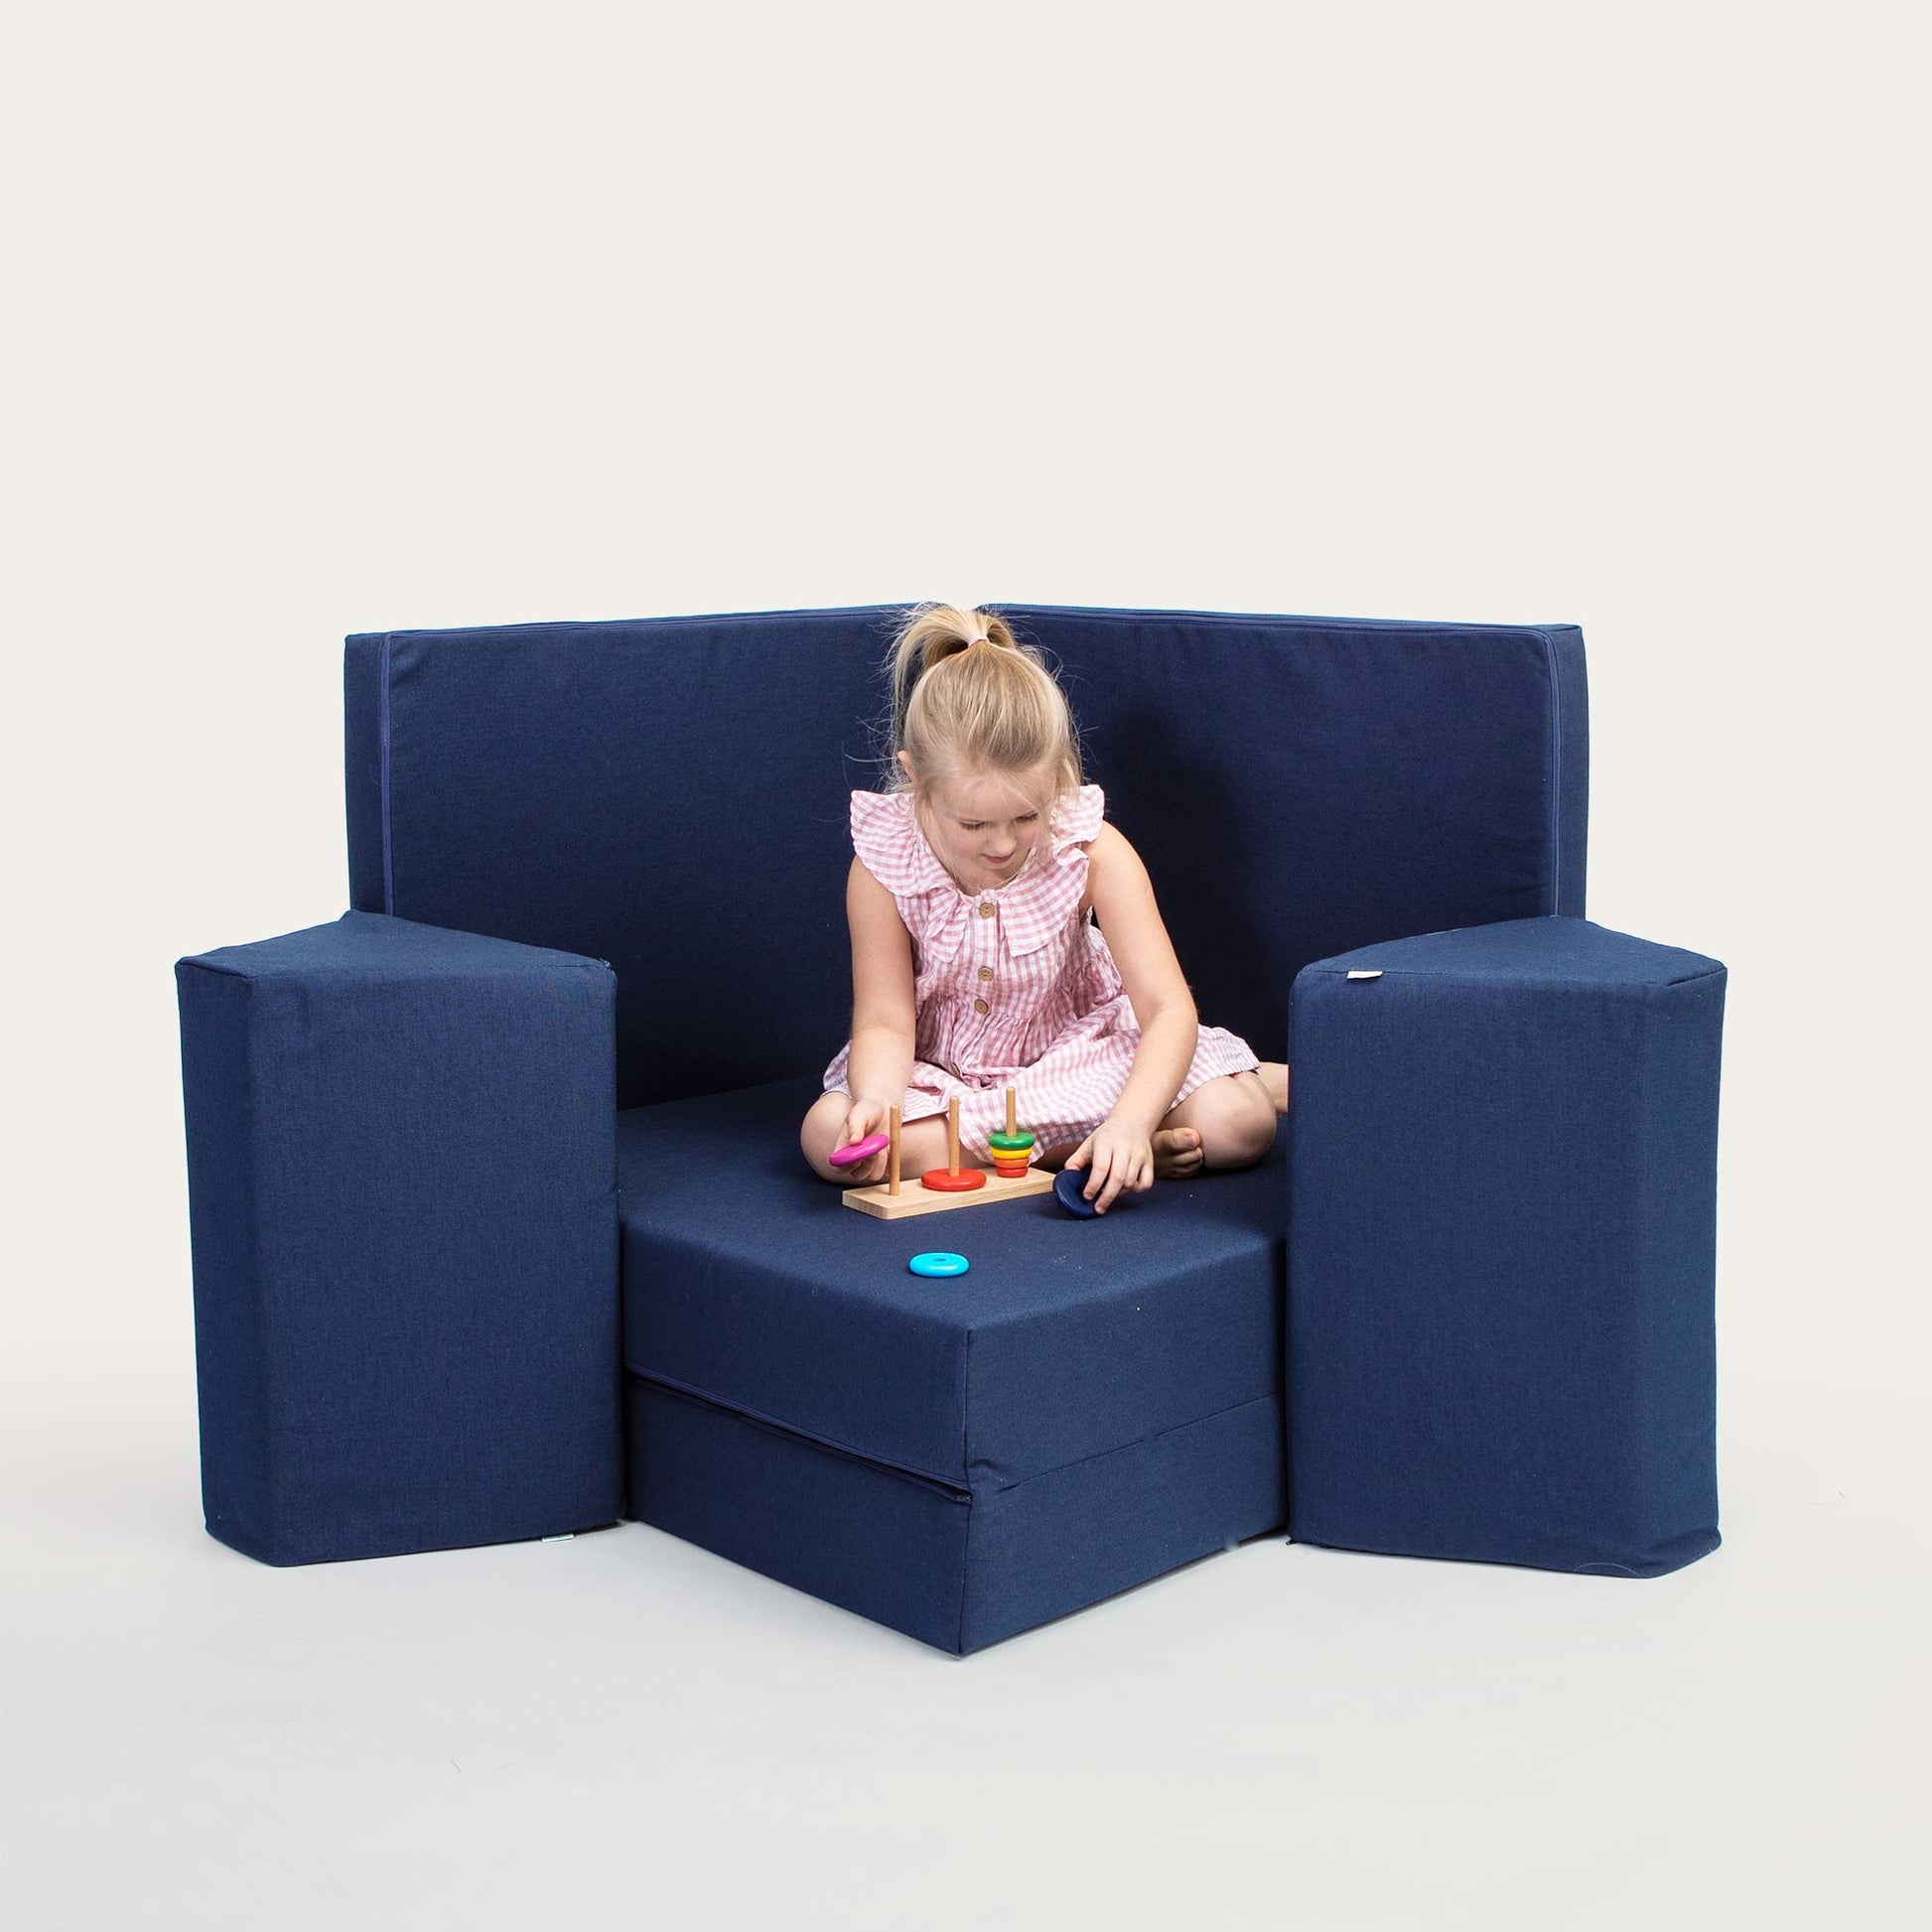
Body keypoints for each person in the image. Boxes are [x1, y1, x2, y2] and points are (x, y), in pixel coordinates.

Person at [801, 603, 1291, 1214]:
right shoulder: (883, 862)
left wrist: (1132, 1123)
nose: (1002, 845)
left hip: (1079, 1057)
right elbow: (884, 1024)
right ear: (915, 779)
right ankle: (1082, 1147)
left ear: (1056, 780)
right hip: (946, 1077)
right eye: (973, 823)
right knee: (830, 1140)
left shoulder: (1091, 850)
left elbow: (1168, 1009)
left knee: (1238, 1125)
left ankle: (1129, 1131)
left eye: (1026, 817)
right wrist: (879, 1100)